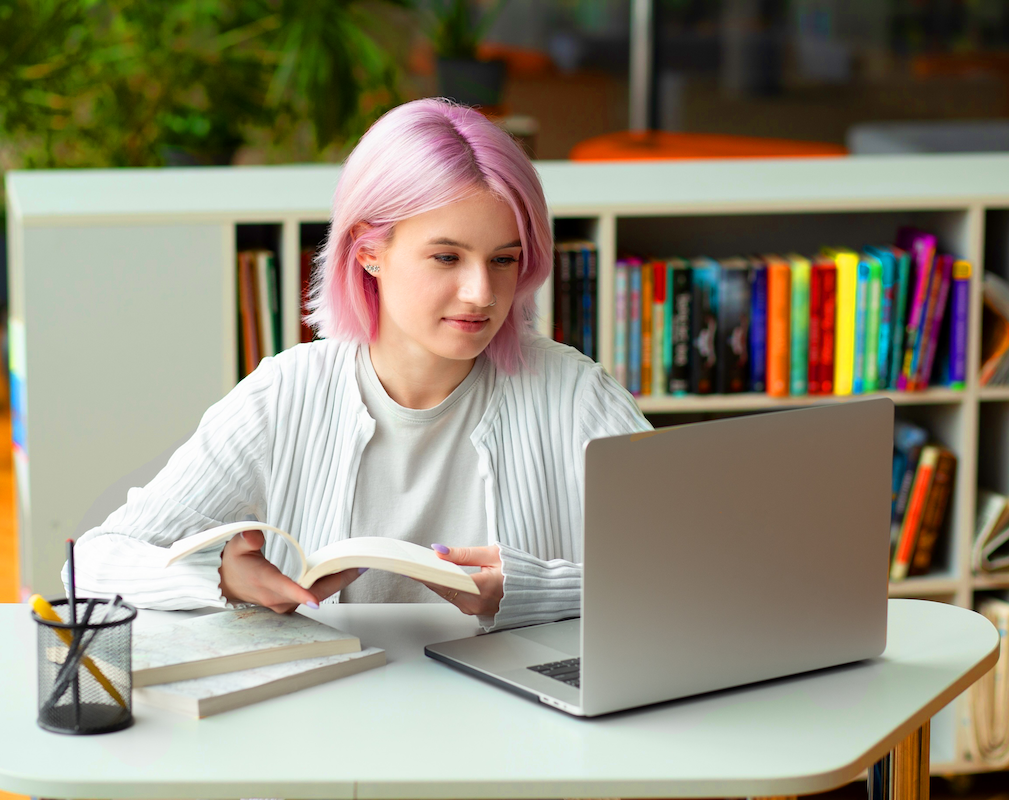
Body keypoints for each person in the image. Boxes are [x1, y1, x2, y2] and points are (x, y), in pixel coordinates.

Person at [70, 98, 651, 632]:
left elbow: (710, 572)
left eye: (504, 260)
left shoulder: (574, 395)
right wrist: (220, 579)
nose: (481, 293)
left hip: (520, 724)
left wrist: (534, 591)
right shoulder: (286, 393)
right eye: (447, 257)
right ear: (369, 252)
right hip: (325, 723)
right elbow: (92, 563)